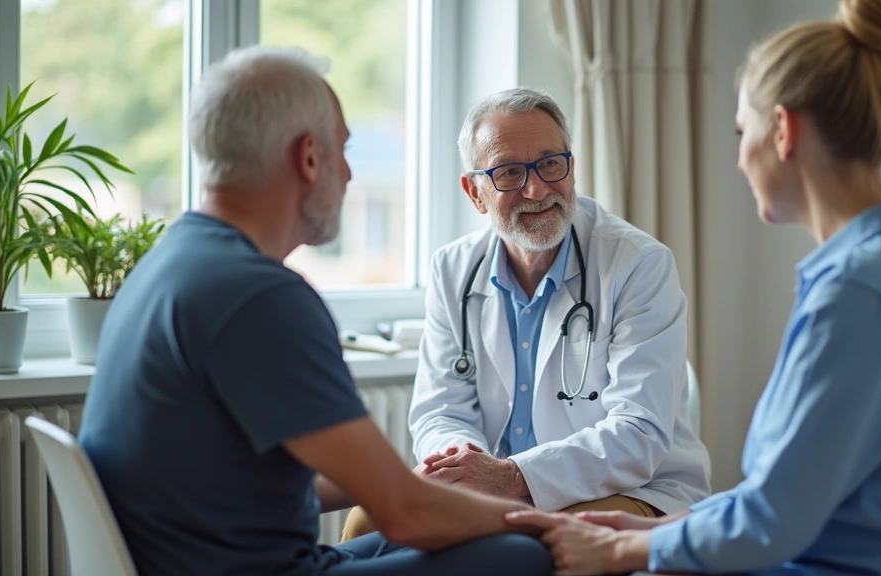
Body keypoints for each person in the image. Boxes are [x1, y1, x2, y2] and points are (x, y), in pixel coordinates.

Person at [507, 0, 881, 574]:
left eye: (741, 130)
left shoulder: (862, 292)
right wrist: (660, 527)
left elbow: (772, 520)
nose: (741, 158)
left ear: (783, 130)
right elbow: (790, 494)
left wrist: (622, 548)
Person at [77, 46, 552, 576]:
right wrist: (560, 527)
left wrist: (401, 481)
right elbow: (408, 516)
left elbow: (262, 474)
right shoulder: (259, 297)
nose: (348, 173)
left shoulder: (173, 261)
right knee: (528, 554)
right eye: (342, 149)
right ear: (308, 157)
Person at [341, 88, 712, 541]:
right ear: (475, 193)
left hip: (634, 488)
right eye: (510, 172)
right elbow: (440, 411)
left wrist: (510, 476)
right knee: (364, 523)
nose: (537, 189)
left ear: (571, 169)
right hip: (505, 488)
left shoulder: (637, 263)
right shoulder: (452, 270)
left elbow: (638, 436)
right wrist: (466, 470)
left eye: (550, 163)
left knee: (520, 550)